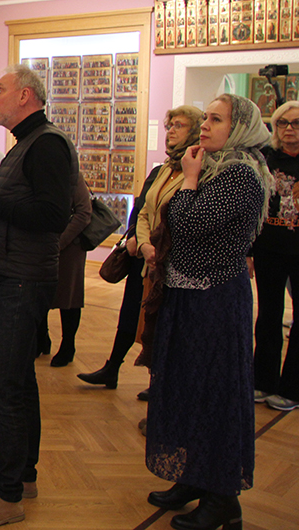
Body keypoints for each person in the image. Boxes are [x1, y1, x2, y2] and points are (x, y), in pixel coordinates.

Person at [0, 64, 77, 529]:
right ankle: (21, 475)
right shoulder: (28, 142)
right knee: (19, 380)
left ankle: (6, 496)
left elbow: (53, 214)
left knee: (3, 385)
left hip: (22, 279)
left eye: (0, 90)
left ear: (25, 95)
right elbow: (27, 204)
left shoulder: (46, 143)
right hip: (12, 273)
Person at [145, 94, 270, 530]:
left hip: (215, 299)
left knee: (215, 395)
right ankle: (193, 476)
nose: (205, 125)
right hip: (189, 295)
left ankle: (222, 498)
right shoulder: (215, 167)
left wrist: (191, 179)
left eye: (216, 120)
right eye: (207, 118)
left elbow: (190, 221)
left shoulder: (240, 174)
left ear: (239, 128)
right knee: (187, 388)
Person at [77, 106, 202, 389]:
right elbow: (142, 209)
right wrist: (139, 239)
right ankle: (112, 368)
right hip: (143, 255)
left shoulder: (196, 174)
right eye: (170, 125)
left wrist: (153, 246)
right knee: (130, 312)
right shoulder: (161, 171)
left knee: (160, 319)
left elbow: (181, 216)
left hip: (168, 260)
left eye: (179, 125)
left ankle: (158, 381)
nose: (171, 131)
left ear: (194, 131)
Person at [251, 100, 299, 412]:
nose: (289, 129)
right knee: (268, 315)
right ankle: (263, 381)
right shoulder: (266, 159)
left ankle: (292, 388)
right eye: (283, 123)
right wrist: (249, 250)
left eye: (296, 123)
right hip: (269, 249)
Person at [39, 175, 91, 367]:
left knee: (69, 297)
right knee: (39, 292)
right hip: (43, 243)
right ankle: (41, 338)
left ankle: (68, 345)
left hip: (70, 246)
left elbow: (83, 213)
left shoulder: (73, 176)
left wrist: (59, 243)